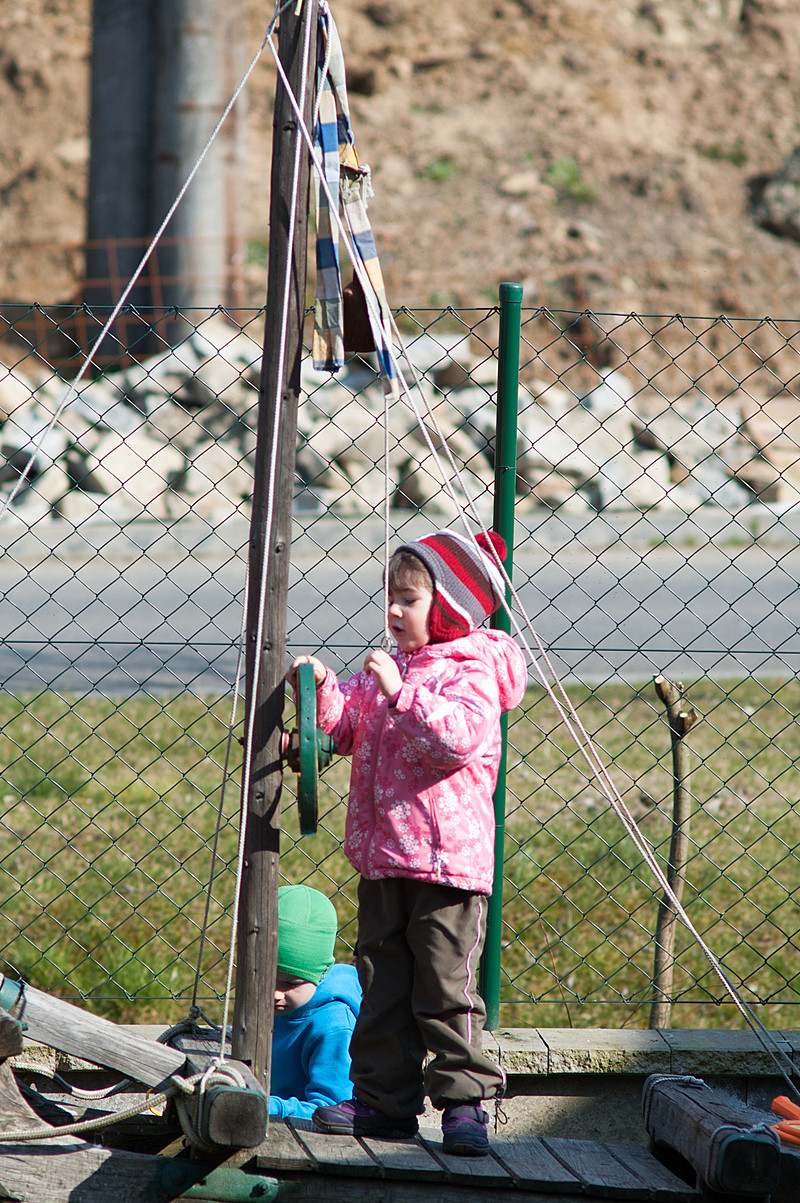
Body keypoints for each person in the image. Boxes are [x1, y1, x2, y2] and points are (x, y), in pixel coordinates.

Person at [286, 529, 527, 1156]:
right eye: (390, 597)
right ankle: (384, 1103)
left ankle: (464, 1105)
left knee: (444, 989)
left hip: (446, 867)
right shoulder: (391, 668)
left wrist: (401, 692)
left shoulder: (472, 669)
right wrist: (321, 688)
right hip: (385, 858)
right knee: (383, 984)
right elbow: (347, 727)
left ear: (447, 609)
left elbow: (456, 739)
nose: (393, 610)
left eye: (410, 600)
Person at [269, 883, 361, 1120]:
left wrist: (267, 1105)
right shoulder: (271, 1002)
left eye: (291, 984)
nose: (275, 994)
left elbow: (332, 1109)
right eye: (267, 980)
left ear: (321, 974)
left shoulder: (334, 1027)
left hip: (305, 1128)